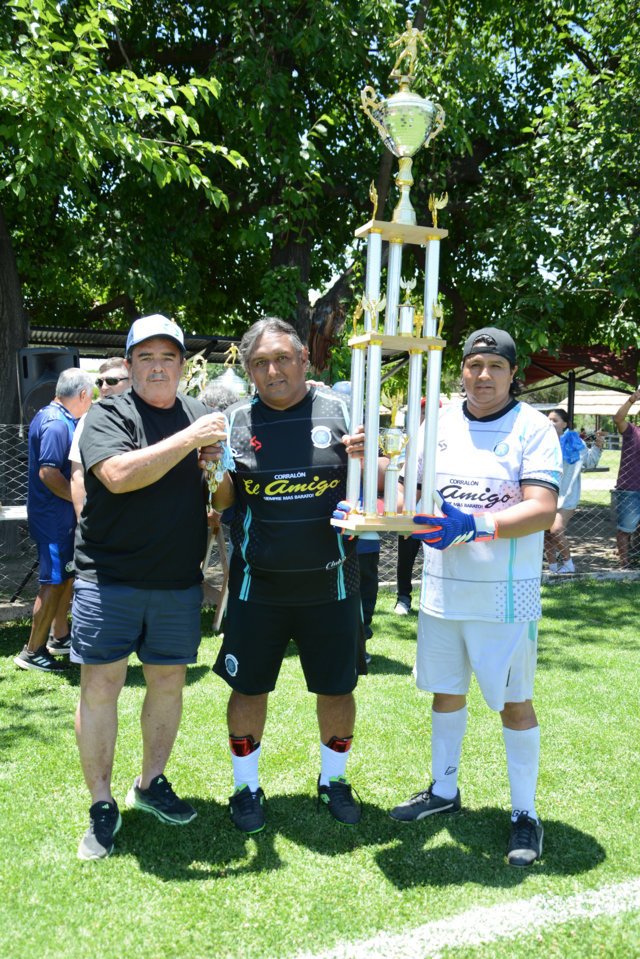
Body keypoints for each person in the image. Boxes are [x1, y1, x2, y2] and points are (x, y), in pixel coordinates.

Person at [388, 327, 561, 868]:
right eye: (474, 365)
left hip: (506, 599)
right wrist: (383, 503)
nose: (483, 375)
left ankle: (525, 814)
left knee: (514, 703)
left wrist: (475, 525)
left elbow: (542, 509)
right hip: (441, 592)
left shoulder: (533, 428)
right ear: (461, 369)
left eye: (495, 366)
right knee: (445, 693)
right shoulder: (436, 423)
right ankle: (444, 791)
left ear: (513, 374)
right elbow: (409, 490)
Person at [71, 314, 227, 861]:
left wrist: (215, 465)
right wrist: (191, 440)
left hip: (177, 581)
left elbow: (221, 492)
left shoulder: (198, 413)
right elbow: (117, 476)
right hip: (108, 578)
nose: (158, 367)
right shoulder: (108, 413)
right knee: (101, 688)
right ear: (130, 364)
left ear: (182, 365)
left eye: (168, 357)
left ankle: (150, 782)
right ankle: (101, 804)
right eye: (146, 358)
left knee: (167, 684)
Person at [209, 317, 366, 834]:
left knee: (336, 688)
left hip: (332, 583)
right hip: (258, 587)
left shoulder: (341, 411)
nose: (272, 371)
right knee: (248, 689)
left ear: (303, 359)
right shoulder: (235, 420)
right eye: (260, 363)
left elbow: (376, 485)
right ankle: (245, 787)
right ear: (248, 371)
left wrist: (374, 460)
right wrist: (211, 469)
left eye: (281, 358)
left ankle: (334, 780)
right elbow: (223, 500)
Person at [14, 368, 94, 673]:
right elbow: (48, 473)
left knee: (65, 577)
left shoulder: (54, 416)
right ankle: (32, 651)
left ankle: (60, 637)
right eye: (91, 396)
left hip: (56, 517)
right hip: (53, 519)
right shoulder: (56, 423)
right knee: (53, 581)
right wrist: (78, 499)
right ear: (83, 394)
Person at [69, 357, 130, 520]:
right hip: (102, 521)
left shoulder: (146, 417)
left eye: (112, 381)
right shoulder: (87, 419)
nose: (104, 387)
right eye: (99, 382)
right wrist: (82, 522)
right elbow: (77, 476)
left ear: (132, 381)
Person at [544, 409, 604, 573]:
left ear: (565, 424)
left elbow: (590, 462)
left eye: (554, 420)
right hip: (546, 494)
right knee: (546, 533)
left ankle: (568, 565)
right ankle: (552, 568)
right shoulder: (541, 442)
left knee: (556, 529)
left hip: (567, 496)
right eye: (548, 419)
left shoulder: (575, 442)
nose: (550, 423)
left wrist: (598, 446)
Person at [612, 388, 640, 568]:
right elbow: (618, 419)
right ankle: (624, 563)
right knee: (626, 528)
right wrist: (632, 400)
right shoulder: (632, 431)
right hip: (630, 488)